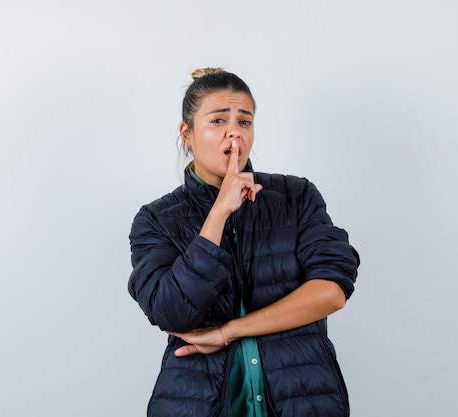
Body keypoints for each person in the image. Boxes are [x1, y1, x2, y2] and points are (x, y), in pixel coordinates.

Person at [128, 67, 360, 417]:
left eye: (245, 121)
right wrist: (218, 212)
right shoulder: (156, 219)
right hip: (196, 404)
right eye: (218, 120)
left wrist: (227, 331)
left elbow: (331, 291)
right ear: (187, 134)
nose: (234, 131)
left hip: (304, 399)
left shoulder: (295, 197)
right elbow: (170, 312)